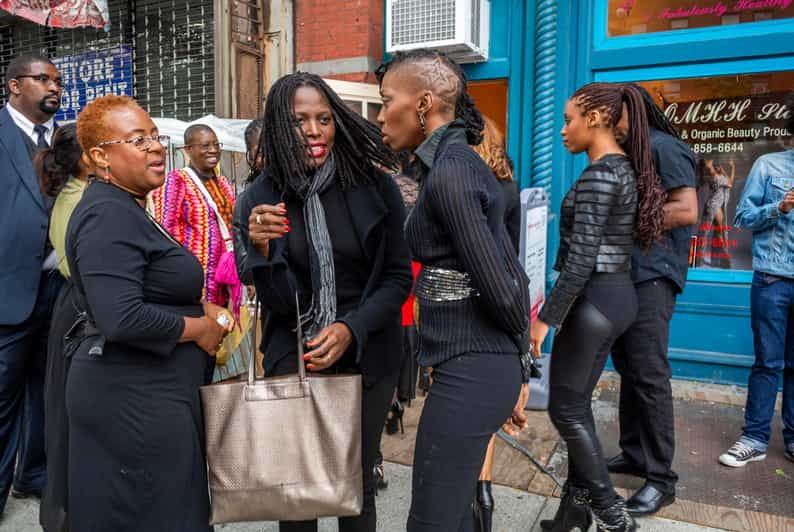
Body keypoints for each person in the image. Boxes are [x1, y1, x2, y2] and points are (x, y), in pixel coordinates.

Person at [236, 72, 412, 532]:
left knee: (353, 487)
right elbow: (275, 300)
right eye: (299, 121)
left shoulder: (375, 188)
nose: (314, 131)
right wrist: (261, 250)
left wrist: (352, 327)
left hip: (368, 352)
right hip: (293, 354)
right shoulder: (257, 199)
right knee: (297, 493)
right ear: (278, 126)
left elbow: (396, 278)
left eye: (324, 119)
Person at [376, 49, 532, 532]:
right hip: (469, 364)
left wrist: (518, 369)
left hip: (476, 367)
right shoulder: (446, 165)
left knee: (430, 522)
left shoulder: (452, 172)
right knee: (449, 516)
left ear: (423, 104)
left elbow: (504, 285)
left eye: (386, 101)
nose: (380, 115)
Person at [65, 94, 231, 531]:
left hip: (153, 392)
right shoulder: (107, 214)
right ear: (101, 155)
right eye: (139, 140)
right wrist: (198, 327)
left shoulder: (129, 206)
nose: (156, 148)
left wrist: (199, 305)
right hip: (132, 399)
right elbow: (121, 317)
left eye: (155, 137)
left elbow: (145, 288)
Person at [530, 82, 665, 532]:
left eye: (568, 119)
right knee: (577, 406)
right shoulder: (622, 168)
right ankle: (574, 513)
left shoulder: (599, 175)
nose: (563, 130)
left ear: (594, 118)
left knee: (565, 409)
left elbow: (580, 261)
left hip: (595, 300)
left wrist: (543, 321)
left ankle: (611, 514)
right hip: (617, 295)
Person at [596, 85, 698, 518]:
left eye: (610, 116)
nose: (604, 124)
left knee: (650, 376)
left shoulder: (665, 147)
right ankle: (634, 454)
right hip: (626, 277)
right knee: (630, 370)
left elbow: (687, 209)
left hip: (653, 278)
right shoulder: (634, 152)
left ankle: (661, 479)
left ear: (628, 114)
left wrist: (625, 218)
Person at [0, 53, 64, 516]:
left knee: (48, 390)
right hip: (7, 295)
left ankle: (33, 475)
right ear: (14, 86)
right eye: (43, 79)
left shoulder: (63, 141)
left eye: (57, 80)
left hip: (57, 290)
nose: (53, 87)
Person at [720, 91, 794, 468]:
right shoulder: (768, 166)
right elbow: (741, 218)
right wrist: (778, 207)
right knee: (768, 362)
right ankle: (754, 438)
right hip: (773, 278)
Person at [151, 123, 249, 383]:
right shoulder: (176, 181)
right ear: (188, 150)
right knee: (199, 355)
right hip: (197, 286)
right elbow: (165, 231)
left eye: (216, 144)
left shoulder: (223, 183)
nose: (213, 150)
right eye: (205, 145)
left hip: (226, 284)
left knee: (227, 354)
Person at [36, 123, 92, 532]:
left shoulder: (76, 196)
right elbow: (81, 268)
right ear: (90, 157)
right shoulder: (79, 202)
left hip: (73, 308)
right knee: (74, 422)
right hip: (80, 312)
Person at [470, 115, 521, 532]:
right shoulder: (509, 186)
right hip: (503, 301)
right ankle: (484, 492)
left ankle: (473, 493)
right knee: (485, 415)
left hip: (468, 303)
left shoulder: (472, 190)